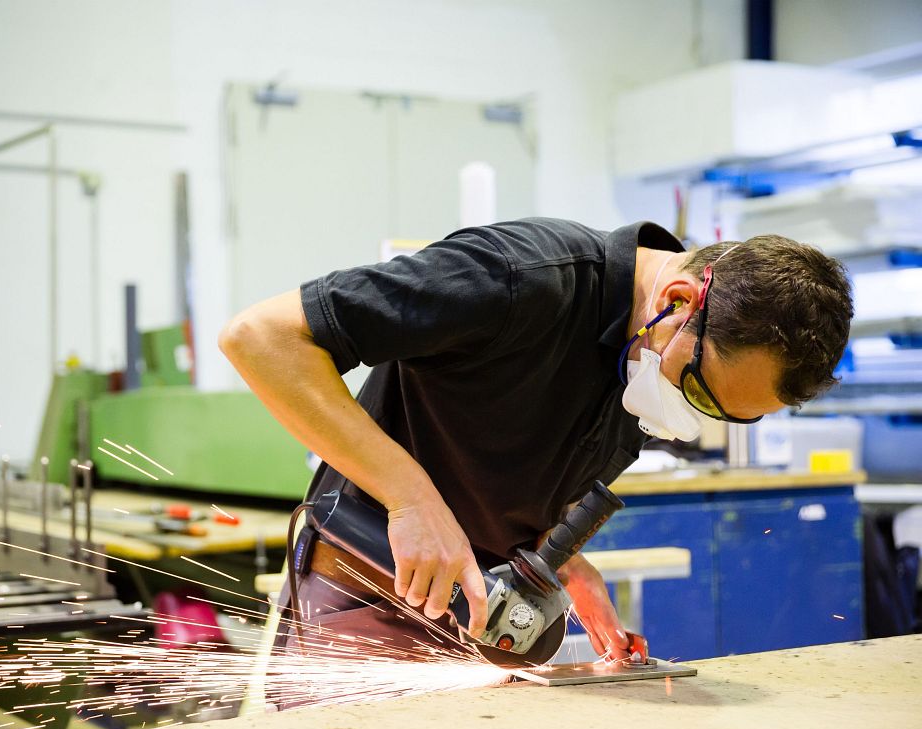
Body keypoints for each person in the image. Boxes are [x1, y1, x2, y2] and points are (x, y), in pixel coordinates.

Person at [219, 217, 852, 663]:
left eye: (725, 415)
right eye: (700, 390)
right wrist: (410, 497)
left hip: (477, 612)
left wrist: (559, 560)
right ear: (679, 301)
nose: (692, 414)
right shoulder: (516, 276)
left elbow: (503, 453)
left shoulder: (649, 348)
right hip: (369, 591)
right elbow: (259, 338)